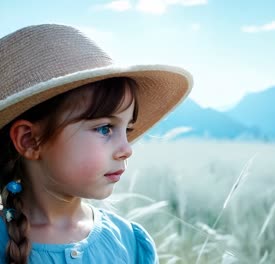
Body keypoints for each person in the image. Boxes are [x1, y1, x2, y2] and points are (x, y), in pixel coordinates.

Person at [0, 24, 192, 263]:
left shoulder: (129, 242)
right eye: (105, 128)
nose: (127, 149)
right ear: (29, 140)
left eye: (128, 129)